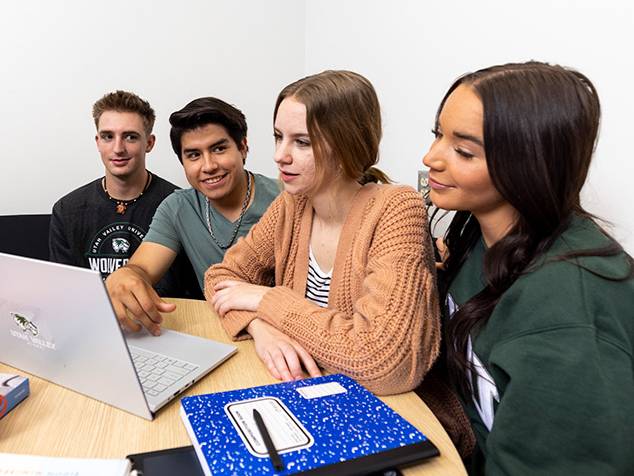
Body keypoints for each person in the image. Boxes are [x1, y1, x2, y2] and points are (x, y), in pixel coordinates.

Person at [417, 61, 634, 474]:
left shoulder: (569, 303)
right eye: (437, 136)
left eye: (463, 150)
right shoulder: (476, 236)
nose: (431, 158)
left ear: (529, 161)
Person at [205, 70, 440, 395]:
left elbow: (383, 363)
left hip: (387, 409)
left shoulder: (396, 208)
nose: (280, 155)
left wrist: (267, 299)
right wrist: (260, 328)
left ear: (348, 144)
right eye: (278, 137)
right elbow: (221, 277)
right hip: (304, 389)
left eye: (301, 142)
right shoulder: (292, 204)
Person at [106, 97, 280, 336]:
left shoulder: (285, 198)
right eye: (194, 155)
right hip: (223, 332)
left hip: (284, 331)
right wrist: (125, 276)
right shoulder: (178, 207)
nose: (208, 166)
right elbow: (141, 268)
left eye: (219, 149)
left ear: (243, 147)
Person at [49, 90, 181, 295]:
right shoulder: (67, 210)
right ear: (97, 142)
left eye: (130, 137)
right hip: (91, 322)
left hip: (165, 321)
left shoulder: (179, 205)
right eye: (108, 137)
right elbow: (62, 293)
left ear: (149, 143)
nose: (118, 148)